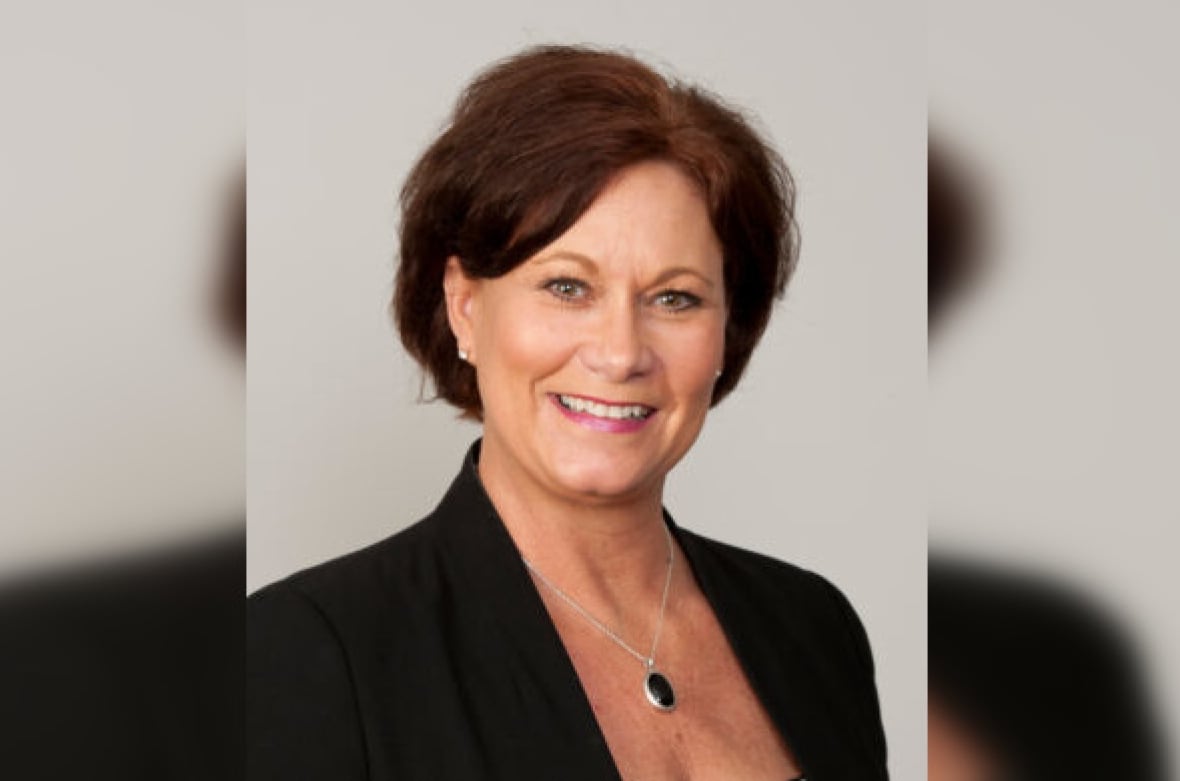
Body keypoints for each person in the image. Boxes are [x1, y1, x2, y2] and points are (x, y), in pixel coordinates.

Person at [249, 45, 888, 781]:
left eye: (674, 297)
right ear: (464, 304)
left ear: (728, 330)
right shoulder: (314, 651)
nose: (620, 353)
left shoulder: (812, 628)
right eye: (566, 287)